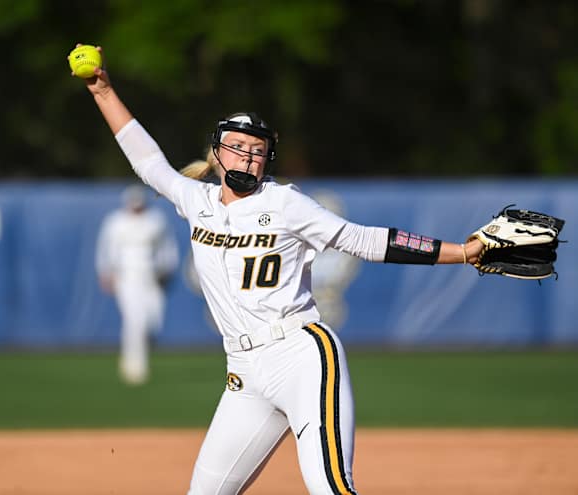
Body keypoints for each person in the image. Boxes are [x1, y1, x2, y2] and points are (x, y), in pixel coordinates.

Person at [75, 44, 484, 494]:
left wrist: (461, 252)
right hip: (243, 373)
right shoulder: (197, 202)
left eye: (258, 150)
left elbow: (362, 240)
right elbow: (146, 159)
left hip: (301, 356)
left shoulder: (285, 203)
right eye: (237, 147)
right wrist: (103, 91)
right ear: (217, 155)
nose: (248, 156)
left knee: (331, 488)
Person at [95, 183, 179, 385]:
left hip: (151, 276)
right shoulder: (115, 222)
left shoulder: (155, 221)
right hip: (126, 276)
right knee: (134, 320)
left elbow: (167, 248)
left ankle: (139, 357)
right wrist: (106, 272)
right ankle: (134, 367)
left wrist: (167, 269)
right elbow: (105, 249)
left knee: (152, 319)